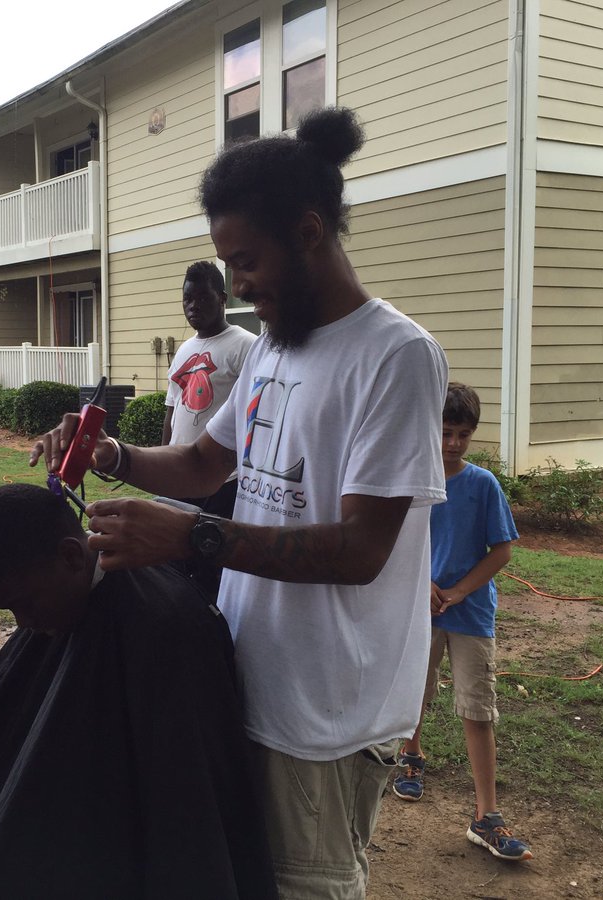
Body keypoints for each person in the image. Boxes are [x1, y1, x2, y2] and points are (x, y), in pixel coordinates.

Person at [31, 107, 449, 899]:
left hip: (327, 716)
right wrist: (112, 453)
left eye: (247, 263)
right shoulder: (273, 348)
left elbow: (363, 550)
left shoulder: (396, 357)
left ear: (310, 231)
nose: (240, 285)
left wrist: (191, 538)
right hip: (254, 680)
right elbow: (199, 461)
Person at [0, 482, 277, 899]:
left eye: (24, 605)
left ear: (73, 556)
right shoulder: (65, 601)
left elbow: (183, 820)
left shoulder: (161, 629)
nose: (24, 626)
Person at [390, 383, 532, 861]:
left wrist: (458, 590)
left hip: (471, 615)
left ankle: (486, 815)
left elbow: (503, 550)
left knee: (477, 709)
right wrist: (422, 583)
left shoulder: (483, 485)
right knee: (415, 693)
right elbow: (396, 545)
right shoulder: (410, 483)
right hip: (419, 609)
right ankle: (411, 757)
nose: (452, 443)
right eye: (445, 432)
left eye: (463, 434)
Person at [164, 260, 255, 589]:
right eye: (188, 299)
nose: (193, 306)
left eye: (202, 298)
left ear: (222, 298)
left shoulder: (245, 345)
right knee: (176, 557)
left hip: (223, 481)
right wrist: (164, 460)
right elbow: (172, 409)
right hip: (181, 475)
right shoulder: (185, 349)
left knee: (212, 560)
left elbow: (254, 416)